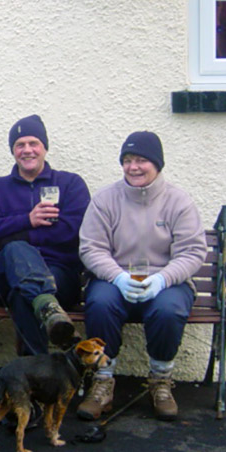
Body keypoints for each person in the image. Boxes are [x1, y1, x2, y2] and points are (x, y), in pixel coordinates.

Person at [77, 131, 206, 421]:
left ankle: (160, 380)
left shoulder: (179, 202)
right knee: (99, 303)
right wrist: (117, 276)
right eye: (127, 160)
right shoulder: (105, 200)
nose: (133, 167)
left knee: (168, 309)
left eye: (142, 160)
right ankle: (102, 380)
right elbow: (91, 247)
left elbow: (192, 251)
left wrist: (162, 279)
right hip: (115, 278)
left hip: (167, 281)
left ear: (158, 164)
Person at [0, 114, 90, 355]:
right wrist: (28, 220)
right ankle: (47, 310)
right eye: (20, 145)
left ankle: (34, 368)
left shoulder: (70, 184)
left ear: (45, 147)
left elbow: (74, 231)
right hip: (3, 276)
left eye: (33, 143)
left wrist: (14, 235)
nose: (27, 150)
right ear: (13, 151)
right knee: (15, 251)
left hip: (59, 276)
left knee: (23, 292)